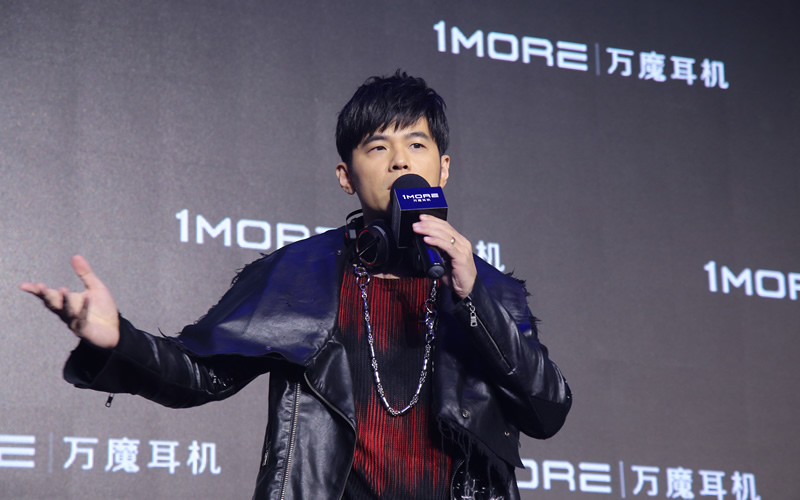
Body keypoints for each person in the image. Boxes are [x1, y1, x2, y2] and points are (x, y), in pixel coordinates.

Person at [20, 71, 571, 500]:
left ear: (443, 169)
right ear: (346, 176)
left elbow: (548, 410)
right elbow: (201, 373)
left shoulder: (489, 289)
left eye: (416, 145)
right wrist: (118, 339)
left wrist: (472, 299)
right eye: (378, 147)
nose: (400, 160)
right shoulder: (301, 273)